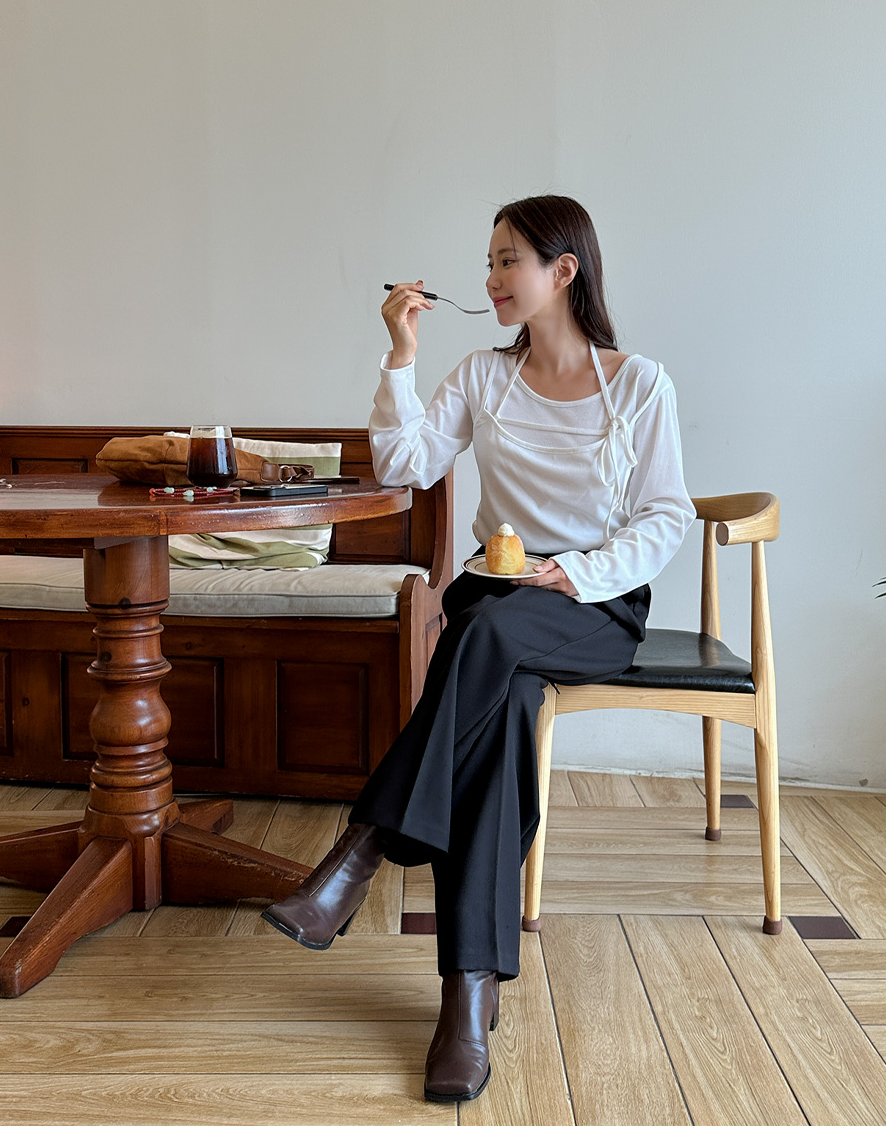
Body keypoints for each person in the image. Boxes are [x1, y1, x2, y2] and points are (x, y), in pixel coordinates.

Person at [262, 194, 696, 1103]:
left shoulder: (639, 384)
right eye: (489, 262)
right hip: (494, 599)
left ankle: (363, 850)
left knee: (486, 634)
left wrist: (576, 572)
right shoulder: (483, 377)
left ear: (563, 271)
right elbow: (404, 465)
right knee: (498, 720)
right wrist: (400, 357)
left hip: (592, 602)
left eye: (508, 261)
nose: (491, 278)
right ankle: (467, 994)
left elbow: (665, 517)